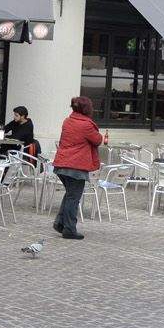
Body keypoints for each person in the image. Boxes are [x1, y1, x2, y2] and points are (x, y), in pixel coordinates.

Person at [51, 96, 105, 240]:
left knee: (70, 195)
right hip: (76, 166)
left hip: (62, 164)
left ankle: (60, 223)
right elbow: (98, 140)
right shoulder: (86, 125)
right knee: (73, 198)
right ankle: (69, 229)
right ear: (87, 109)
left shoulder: (68, 121)